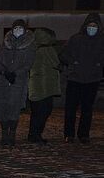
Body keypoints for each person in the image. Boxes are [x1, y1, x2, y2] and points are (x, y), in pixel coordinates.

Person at [61, 13, 104, 144]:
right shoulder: (75, 39)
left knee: (87, 109)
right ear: (85, 26)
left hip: (92, 79)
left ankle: (83, 134)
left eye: (94, 26)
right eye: (90, 25)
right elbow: (63, 54)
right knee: (71, 108)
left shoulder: (101, 41)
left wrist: (100, 65)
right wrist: (72, 62)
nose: (92, 28)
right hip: (75, 78)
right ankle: (69, 134)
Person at [0, 19, 35, 147]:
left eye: (20, 29)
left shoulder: (29, 46)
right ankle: (4, 134)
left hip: (18, 81)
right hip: (3, 81)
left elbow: (28, 64)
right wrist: (4, 72)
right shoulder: (5, 44)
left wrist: (16, 73)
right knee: (2, 106)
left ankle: (12, 134)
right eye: (15, 28)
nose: (17, 31)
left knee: (14, 107)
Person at [27, 27, 60, 144]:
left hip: (35, 85)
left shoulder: (33, 48)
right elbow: (56, 63)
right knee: (43, 111)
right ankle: (36, 135)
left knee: (36, 112)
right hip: (45, 86)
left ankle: (33, 134)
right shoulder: (47, 49)